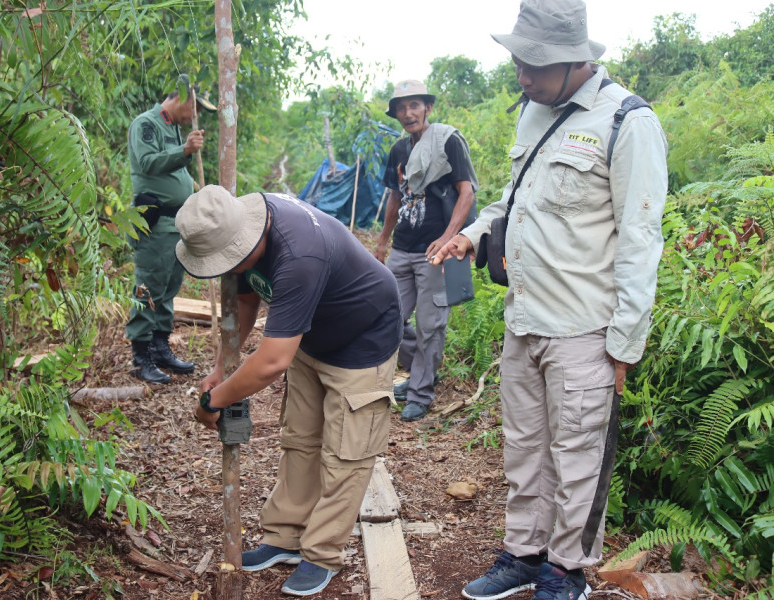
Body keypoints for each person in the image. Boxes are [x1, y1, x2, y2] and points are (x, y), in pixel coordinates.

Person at [431, 1, 668, 599]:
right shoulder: (533, 114)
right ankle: (523, 553)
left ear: (575, 61)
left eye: (535, 65)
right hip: (525, 318)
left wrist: (625, 344)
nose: (522, 75)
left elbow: (641, 239)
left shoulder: (628, 122)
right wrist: (473, 233)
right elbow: (513, 199)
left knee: (578, 454)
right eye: (518, 61)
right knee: (525, 448)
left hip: (585, 327)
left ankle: (568, 570)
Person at [175, 186, 402, 597]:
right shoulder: (238, 228)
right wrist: (219, 370)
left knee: (345, 453)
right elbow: (245, 301)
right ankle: (285, 536)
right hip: (308, 337)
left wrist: (214, 399)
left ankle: (321, 553)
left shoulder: (299, 257)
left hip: (362, 338)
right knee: (300, 438)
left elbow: (272, 362)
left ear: (249, 238)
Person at [377, 79, 478, 422]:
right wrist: (382, 240)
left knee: (431, 323)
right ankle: (422, 371)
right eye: (402, 108)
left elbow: (467, 193)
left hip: (436, 250)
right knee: (386, 315)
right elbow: (395, 197)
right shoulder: (398, 151)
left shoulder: (447, 141)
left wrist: (450, 237)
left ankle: (420, 392)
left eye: (415, 106)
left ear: (428, 108)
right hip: (403, 249)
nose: (409, 113)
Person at [125, 85, 217, 384]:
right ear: (180, 98)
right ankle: (141, 357)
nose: (196, 116)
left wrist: (195, 189)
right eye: (196, 108)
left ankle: (160, 346)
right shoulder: (146, 124)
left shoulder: (173, 127)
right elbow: (148, 164)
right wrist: (185, 150)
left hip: (177, 224)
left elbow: (174, 172)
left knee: (168, 288)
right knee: (148, 288)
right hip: (154, 223)